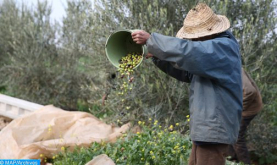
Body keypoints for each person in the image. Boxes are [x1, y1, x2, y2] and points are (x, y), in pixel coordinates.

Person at [131, 3, 243, 165]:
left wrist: (152, 40)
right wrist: (157, 56)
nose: (196, 40)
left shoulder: (223, 48)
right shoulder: (210, 54)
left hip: (214, 126)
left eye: (197, 37)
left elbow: (190, 52)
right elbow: (187, 73)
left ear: (210, 32)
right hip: (207, 128)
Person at [228, 68, 263, 164]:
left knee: (236, 137)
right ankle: (232, 160)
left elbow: (250, 91)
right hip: (243, 106)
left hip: (249, 108)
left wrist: (237, 108)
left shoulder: (233, 67)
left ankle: (244, 163)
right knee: (228, 133)